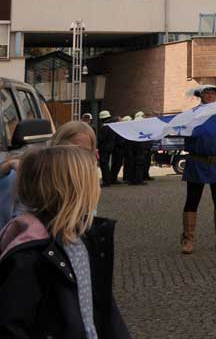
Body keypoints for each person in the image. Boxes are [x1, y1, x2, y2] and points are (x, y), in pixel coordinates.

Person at [0, 144, 132, 338]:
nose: (99, 187)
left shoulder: (86, 239)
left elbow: (102, 306)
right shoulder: (29, 255)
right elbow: (11, 325)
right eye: (94, 181)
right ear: (74, 191)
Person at [179, 83, 216, 254]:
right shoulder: (192, 115)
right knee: (192, 200)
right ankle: (188, 238)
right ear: (201, 95)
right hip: (197, 162)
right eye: (207, 93)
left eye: (213, 93)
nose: (210, 95)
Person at [97, 110, 117, 186]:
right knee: (106, 164)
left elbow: (101, 138)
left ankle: (106, 181)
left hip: (104, 148)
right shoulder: (112, 127)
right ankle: (107, 180)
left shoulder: (105, 127)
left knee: (104, 165)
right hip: (110, 148)